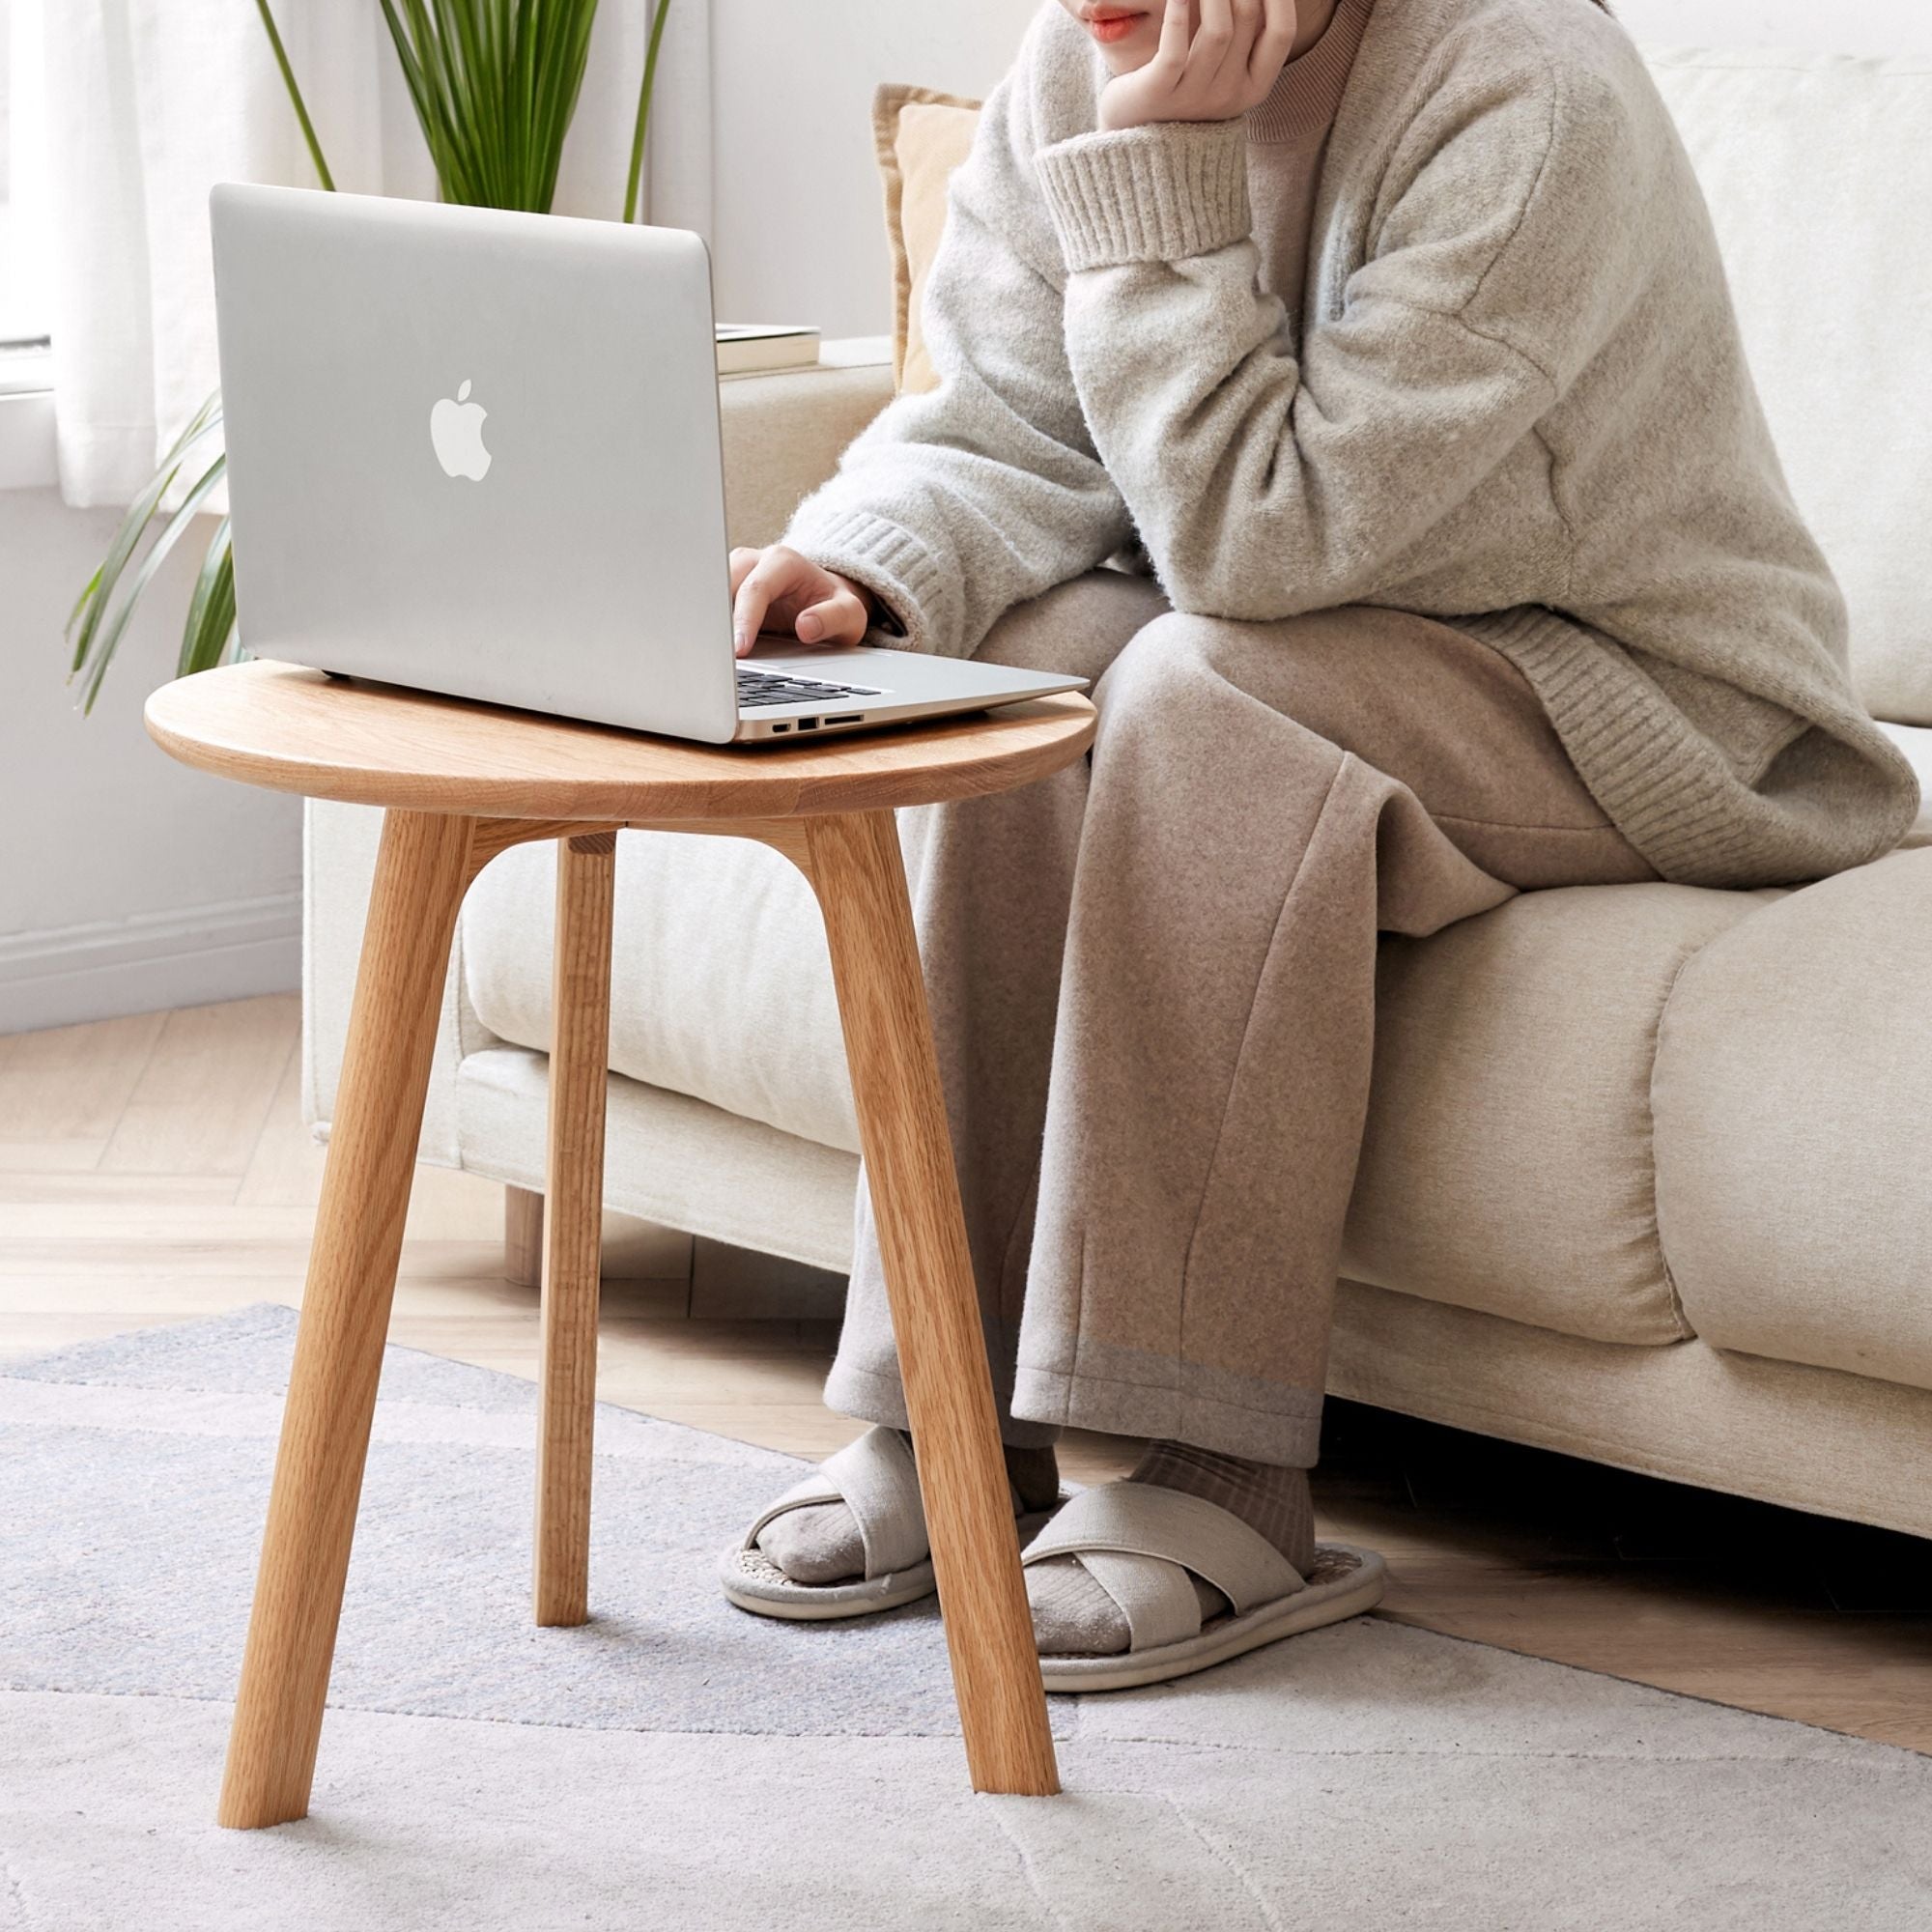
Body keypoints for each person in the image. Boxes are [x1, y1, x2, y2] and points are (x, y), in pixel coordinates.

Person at [716, 0, 1920, 1690]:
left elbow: (1260, 540)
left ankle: (1223, 1476)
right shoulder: (1081, 58)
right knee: (1018, 684)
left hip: (1634, 687)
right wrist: (868, 557)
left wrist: (1164, 172)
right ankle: (947, 1410)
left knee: (1206, 693)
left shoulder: (1523, 91)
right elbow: (999, 420)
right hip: (1344, 640)